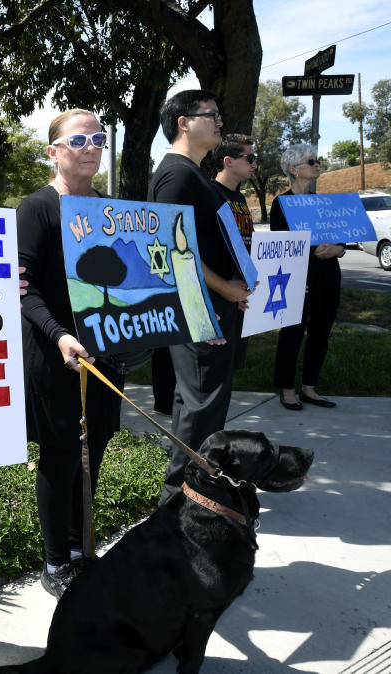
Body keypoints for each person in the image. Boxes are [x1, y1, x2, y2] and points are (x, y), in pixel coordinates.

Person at [17, 109, 124, 600]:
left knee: (94, 453)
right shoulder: (37, 208)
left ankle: (83, 551)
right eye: (78, 139)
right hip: (55, 355)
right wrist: (59, 334)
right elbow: (21, 288)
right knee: (61, 459)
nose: (91, 147)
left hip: (106, 356)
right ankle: (56, 561)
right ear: (53, 151)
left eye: (98, 138)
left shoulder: (109, 208)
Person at [148, 90, 252, 505]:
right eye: (211, 115)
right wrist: (224, 288)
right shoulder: (177, 175)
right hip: (199, 312)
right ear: (184, 122)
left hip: (210, 308)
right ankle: (178, 501)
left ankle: (191, 492)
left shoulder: (194, 175)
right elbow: (172, 251)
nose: (219, 122)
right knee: (201, 410)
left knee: (197, 407)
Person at [271, 143, 344, 410]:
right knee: (291, 335)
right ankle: (287, 389)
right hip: (299, 281)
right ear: (294, 169)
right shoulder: (282, 203)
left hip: (329, 279)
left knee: (320, 335)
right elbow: (279, 247)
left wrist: (338, 249)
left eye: (316, 161)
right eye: (310, 162)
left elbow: (341, 241)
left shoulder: (324, 202)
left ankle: (309, 388)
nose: (316, 165)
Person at [211, 133, 257, 369]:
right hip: (218, 295)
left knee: (230, 366)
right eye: (249, 158)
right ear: (228, 161)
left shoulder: (239, 197)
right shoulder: (210, 193)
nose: (254, 164)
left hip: (238, 294)